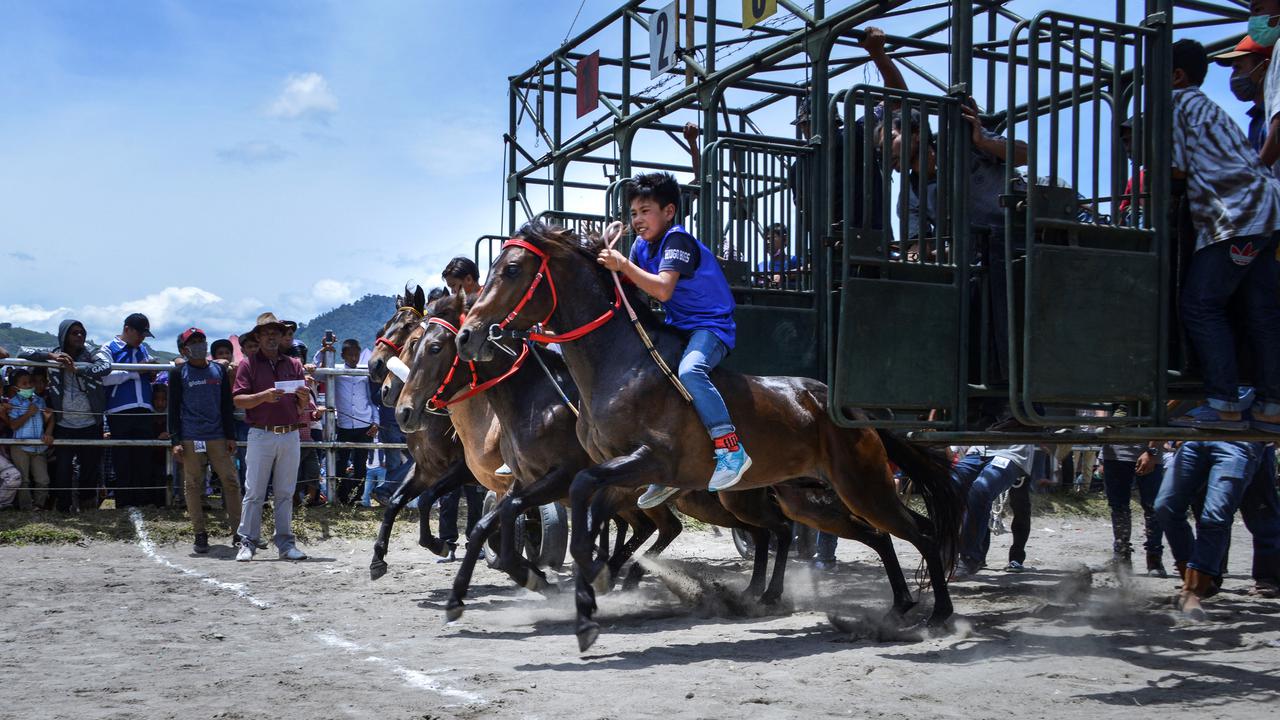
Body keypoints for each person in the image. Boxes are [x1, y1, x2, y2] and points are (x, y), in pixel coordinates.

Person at [597, 171, 750, 508]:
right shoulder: (639, 245)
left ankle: (731, 449)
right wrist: (603, 248)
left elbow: (662, 287)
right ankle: (666, 472)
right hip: (677, 326)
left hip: (711, 328)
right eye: (633, 213)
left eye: (645, 211)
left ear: (669, 212)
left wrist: (621, 262)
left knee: (692, 372)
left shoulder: (677, 240)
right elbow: (630, 287)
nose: (637, 220)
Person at [1167, 39, 1280, 431]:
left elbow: (1176, 171)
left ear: (1176, 76)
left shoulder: (1177, 105)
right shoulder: (1210, 107)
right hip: (1267, 210)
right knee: (1262, 310)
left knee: (1201, 305)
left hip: (1235, 217)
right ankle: (1271, 406)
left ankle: (1225, 404)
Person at [1155, 441, 1269, 618]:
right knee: (1165, 506)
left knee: (1215, 517)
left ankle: (1193, 590)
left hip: (1240, 443)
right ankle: (1194, 578)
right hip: (1194, 439)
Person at [232, 312, 310, 562]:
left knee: (285, 492)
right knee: (254, 491)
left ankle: (285, 544)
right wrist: (263, 397)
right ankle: (247, 541)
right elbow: (238, 400)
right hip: (261, 433)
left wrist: (304, 399)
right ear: (258, 336)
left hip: (290, 432)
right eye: (267, 333)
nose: (272, 336)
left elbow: (301, 407)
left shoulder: (293, 364)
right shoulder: (248, 364)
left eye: (276, 332)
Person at [19, 319, 110, 511]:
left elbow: (106, 366)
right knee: (63, 470)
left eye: (82, 333)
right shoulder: (54, 353)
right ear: (64, 335)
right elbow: (22, 351)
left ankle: (87, 506)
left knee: (89, 469)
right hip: (63, 424)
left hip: (90, 423)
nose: (79, 336)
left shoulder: (91, 352)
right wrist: (51, 356)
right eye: (74, 333)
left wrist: (78, 369)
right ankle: (63, 507)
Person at [169, 327, 242, 554]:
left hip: (218, 435)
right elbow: (173, 409)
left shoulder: (218, 371)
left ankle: (238, 533)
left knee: (230, 482)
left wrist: (230, 435)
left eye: (202, 340)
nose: (199, 345)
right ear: (184, 349)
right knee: (193, 485)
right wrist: (175, 440)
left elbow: (226, 405)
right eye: (194, 342)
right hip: (191, 437)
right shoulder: (178, 373)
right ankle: (200, 533)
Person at [95, 313, 163, 508]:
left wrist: (151, 371)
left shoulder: (143, 350)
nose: (142, 338)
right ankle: (124, 501)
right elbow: (104, 377)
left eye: (144, 334)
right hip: (119, 410)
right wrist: (135, 371)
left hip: (145, 409)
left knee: (143, 457)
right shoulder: (109, 347)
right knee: (122, 457)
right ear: (127, 329)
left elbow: (146, 371)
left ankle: (143, 500)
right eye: (140, 333)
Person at [951, 445, 1036, 576]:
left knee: (1020, 505)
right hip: (980, 449)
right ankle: (976, 556)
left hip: (1014, 452)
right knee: (971, 495)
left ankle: (1016, 557)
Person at [1102, 441, 1168, 577]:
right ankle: (1122, 556)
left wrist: (1151, 451)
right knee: (1118, 506)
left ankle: (1154, 558)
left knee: (1153, 507)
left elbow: (1158, 422)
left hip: (1147, 452)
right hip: (1114, 454)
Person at [333, 338, 379, 505]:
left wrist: (376, 421)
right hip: (344, 424)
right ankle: (341, 495)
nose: (353, 358)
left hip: (364, 423)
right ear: (342, 355)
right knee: (340, 462)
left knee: (361, 463)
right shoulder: (335, 372)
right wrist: (324, 351)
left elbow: (371, 399)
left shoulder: (365, 373)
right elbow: (318, 373)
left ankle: (357, 498)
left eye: (356, 354)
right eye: (350, 354)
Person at [5, 369, 53, 510]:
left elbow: (48, 420)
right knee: (24, 479)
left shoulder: (40, 400)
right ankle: (25, 508)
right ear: (16, 388)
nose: (29, 386)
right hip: (20, 446)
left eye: (30, 383)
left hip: (38, 446)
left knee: (43, 479)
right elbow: (13, 425)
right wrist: (28, 413)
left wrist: (48, 427)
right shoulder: (13, 403)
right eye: (24, 384)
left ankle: (39, 505)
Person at [756, 222, 801, 289]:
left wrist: (783, 276)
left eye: (771, 238)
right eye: (766, 239)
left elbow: (809, 268)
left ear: (785, 240)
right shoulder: (760, 266)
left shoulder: (793, 261)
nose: (768, 242)